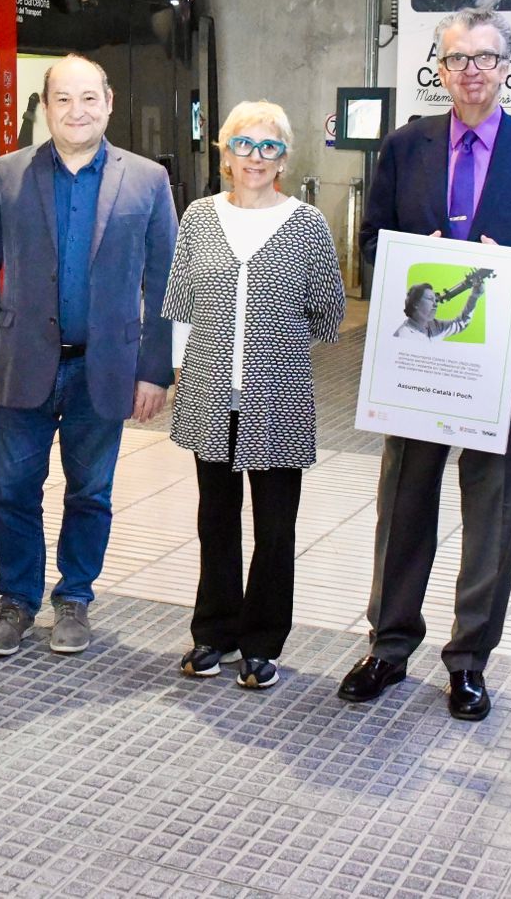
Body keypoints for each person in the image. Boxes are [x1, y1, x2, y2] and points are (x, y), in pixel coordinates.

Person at [340, 7, 511, 722]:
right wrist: (419, 269)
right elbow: (374, 246)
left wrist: (507, 273)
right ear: (439, 70)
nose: (470, 70)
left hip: (506, 367)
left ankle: (470, 659)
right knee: (404, 505)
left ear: (508, 68)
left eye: (485, 57)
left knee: (492, 515)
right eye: (456, 58)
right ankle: (388, 644)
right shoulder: (406, 147)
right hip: (419, 364)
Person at [0, 54, 178, 658]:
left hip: (104, 366)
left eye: (88, 99)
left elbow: (166, 283)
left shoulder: (146, 180)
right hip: (23, 363)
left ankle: (75, 595)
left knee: (90, 492)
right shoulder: (6, 175)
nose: (76, 111)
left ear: (108, 102)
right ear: (46, 106)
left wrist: (155, 371)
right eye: (62, 99)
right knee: (11, 488)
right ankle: (16, 601)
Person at [163, 101, 344, 690]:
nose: (256, 158)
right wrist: (178, 370)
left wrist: (275, 341)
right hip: (207, 391)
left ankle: (263, 641)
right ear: (225, 153)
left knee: (275, 525)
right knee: (215, 519)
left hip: (279, 395)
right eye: (244, 145)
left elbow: (328, 312)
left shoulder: (307, 224)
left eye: (269, 147)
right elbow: (180, 306)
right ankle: (212, 632)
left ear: (284, 157)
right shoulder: (198, 217)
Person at [391, 271, 490, 339]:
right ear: (416, 303)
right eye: (430, 299)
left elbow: (461, 323)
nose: (435, 304)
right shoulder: (403, 335)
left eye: (435, 300)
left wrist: (475, 296)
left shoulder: (435, 326)